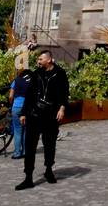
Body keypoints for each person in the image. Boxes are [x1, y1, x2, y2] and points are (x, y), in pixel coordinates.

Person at [15, 49, 70, 190]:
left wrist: (62, 108)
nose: (38, 62)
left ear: (49, 60)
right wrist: (23, 113)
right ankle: (28, 178)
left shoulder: (60, 74)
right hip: (34, 114)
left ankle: (48, 170)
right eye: (38, 60)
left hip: (51, 115)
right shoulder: (36, 74)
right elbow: (29, 95)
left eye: (40, 59)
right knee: (30, 146)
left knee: (50, 144)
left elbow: (64, 93)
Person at [9, 63, 32, 159]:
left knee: (18, 131)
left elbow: (11, 96)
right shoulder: (31, 81)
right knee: (26, 130)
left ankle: (17, 153)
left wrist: (11, 104)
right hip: (27, 107)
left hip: (17, 107)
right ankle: (25, 151)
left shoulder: (16, 81)